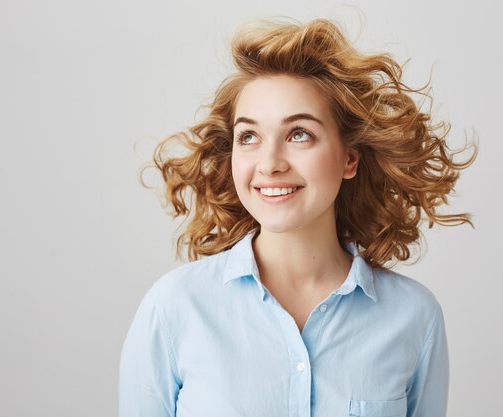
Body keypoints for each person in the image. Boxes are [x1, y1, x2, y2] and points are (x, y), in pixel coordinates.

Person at [119, 17, 477, 417]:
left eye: (299, 134)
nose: (269, 164)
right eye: (249, 137)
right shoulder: (173, 308)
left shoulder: (414, 317)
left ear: (349, 158)